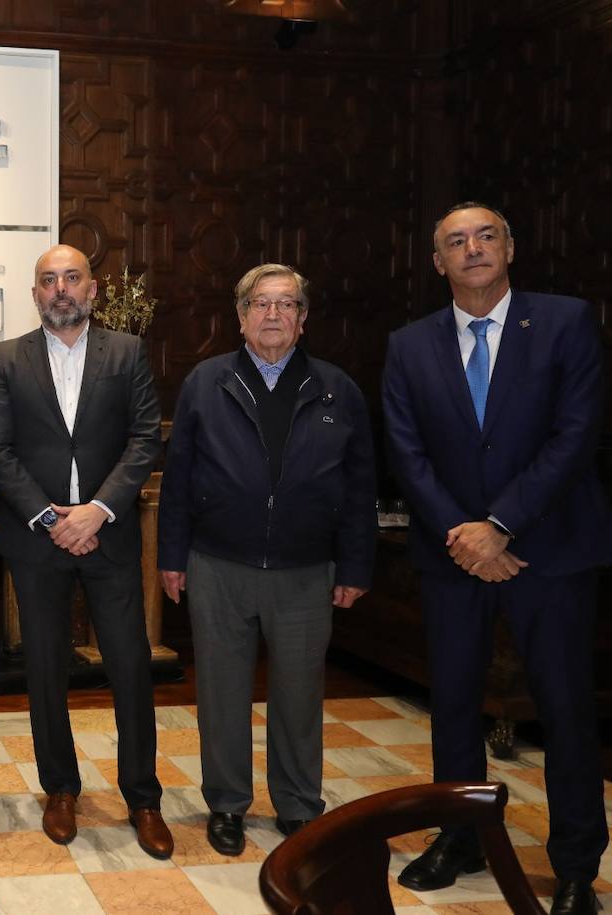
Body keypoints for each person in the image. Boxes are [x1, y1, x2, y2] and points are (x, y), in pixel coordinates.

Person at [383, 203, 608, 914]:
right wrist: (465, 533)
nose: (473, 248)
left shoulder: (567, 321)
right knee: (451, 702)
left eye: (486, 236)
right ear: (437, 261)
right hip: (455, 555)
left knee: (565, 708)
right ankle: (461, 835)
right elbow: (407, 453)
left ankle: (575, 863)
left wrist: (502, 525)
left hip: (551, 550)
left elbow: (576, 435)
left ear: (510, 247)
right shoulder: (408, 344)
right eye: (456, 241)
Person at [157, 263, 375, 857]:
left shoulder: (337, 389)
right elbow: (177, 481)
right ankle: (227, 804)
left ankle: (299, 807)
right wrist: (171, 557)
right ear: (241, 316)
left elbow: (360, 488)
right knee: (222, 694)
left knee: (300, 695)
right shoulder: (206, 381)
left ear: (303, 320)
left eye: (286, 305)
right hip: (218, 566)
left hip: (306, 571)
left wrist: (354, 566)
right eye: (260, 304)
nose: (273, 314)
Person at [0, 243, 171, 859]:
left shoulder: (127, 352)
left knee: (131, 667)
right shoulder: (6, 359)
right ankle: (60, 789)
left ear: (93, 289)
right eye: (48, 280)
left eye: (72, 278)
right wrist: (46, 515)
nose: (61, 289)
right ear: (35, 294)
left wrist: (97, 510)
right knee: (44, 668)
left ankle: (143, 796)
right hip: (38, 542)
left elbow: (145, 438)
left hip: (107, 536)